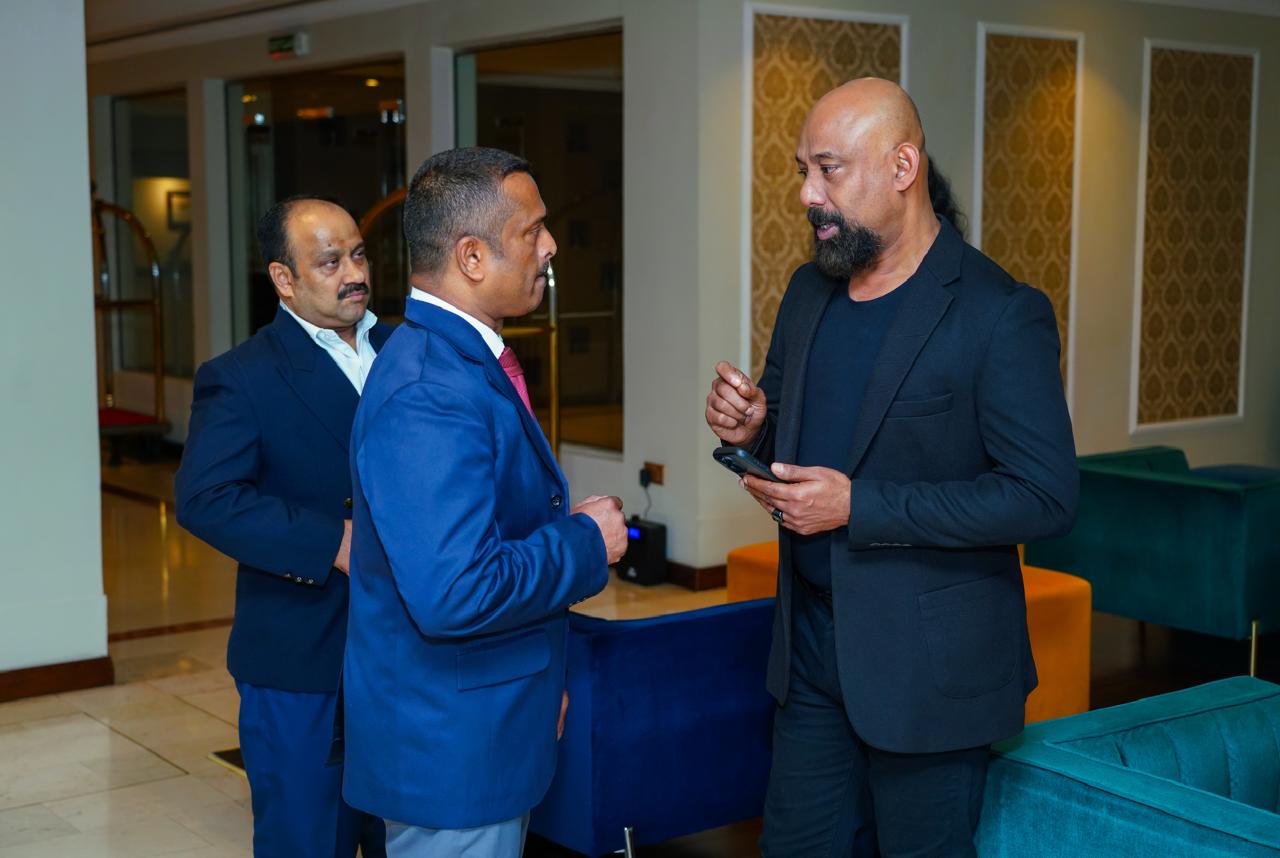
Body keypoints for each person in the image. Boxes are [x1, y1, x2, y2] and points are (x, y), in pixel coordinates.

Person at [704, 78, 1078, 857]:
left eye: (829, 169)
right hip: (811, 650)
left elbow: (1043, 497)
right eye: (804, 170)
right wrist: (753, 425)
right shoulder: (809, 291)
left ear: (903, 167)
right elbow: (788, 427)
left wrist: (858, 507)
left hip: (929, 672)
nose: (808, 194)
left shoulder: (999, 312)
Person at [342, 146, 627, 857]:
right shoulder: (429, 392)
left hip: (488, 717)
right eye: (532, 230)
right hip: (452, 750)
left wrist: (540, 686)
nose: (550, 245)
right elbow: (456, 591)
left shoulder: (463, 360)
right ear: (471, 257)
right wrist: (586, 542)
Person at [175, 196, 390, 858]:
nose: (354, 273)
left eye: (359, 255)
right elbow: (206, 497)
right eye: (330, 261)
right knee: (308, 841)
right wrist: (333, 542)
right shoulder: (242, 377)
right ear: (283, 278)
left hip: (408, 657)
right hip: (305, 660)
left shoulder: (408, 349)